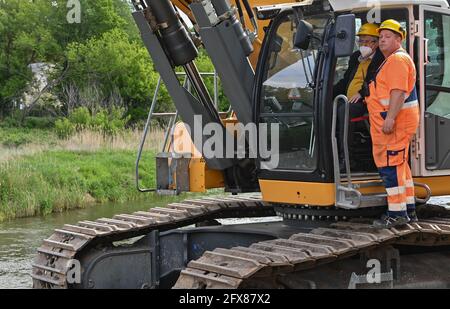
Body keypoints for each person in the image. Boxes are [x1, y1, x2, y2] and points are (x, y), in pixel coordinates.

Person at [364, 20, 420, 228]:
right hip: (394, 121)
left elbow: (397, 92)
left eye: (388, 36)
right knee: (400, 166)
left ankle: (397, 214)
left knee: (390, 166)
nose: (383, 40)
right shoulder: (392, 60)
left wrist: (390, 118)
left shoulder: (397, 60)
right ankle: (408, 210)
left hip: (394, 123)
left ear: (399, 39)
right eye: (381, 37)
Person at [334, 23, 385, 172]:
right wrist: (329, 92)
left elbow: (376, 80)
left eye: (368, 41)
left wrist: (361, 93)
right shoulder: (356, 57)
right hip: (348, 98)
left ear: (376, 42)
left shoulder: (381, 59)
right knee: (327, 106)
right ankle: (332, 155)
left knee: (345, 111)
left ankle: (348, 160)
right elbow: (346, 80)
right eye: (361, 41)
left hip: (367, 100)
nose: (364, 45)